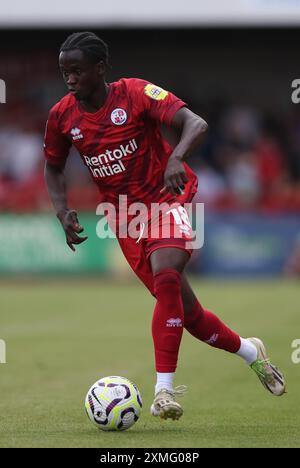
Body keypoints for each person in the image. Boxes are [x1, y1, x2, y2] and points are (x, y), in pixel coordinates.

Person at [44, 32, 286, 421]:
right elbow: (53, 166)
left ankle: (163, 392)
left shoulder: (135, 93)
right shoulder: (62, 116)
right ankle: (250, 351)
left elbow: (196, 123)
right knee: (188, 315)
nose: (69, 79)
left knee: (167, 274)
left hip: (165, 198)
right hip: (124, 218)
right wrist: (62, 210)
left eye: (76, 71)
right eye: (64, 72)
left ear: (100, 68)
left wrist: (176, 157)